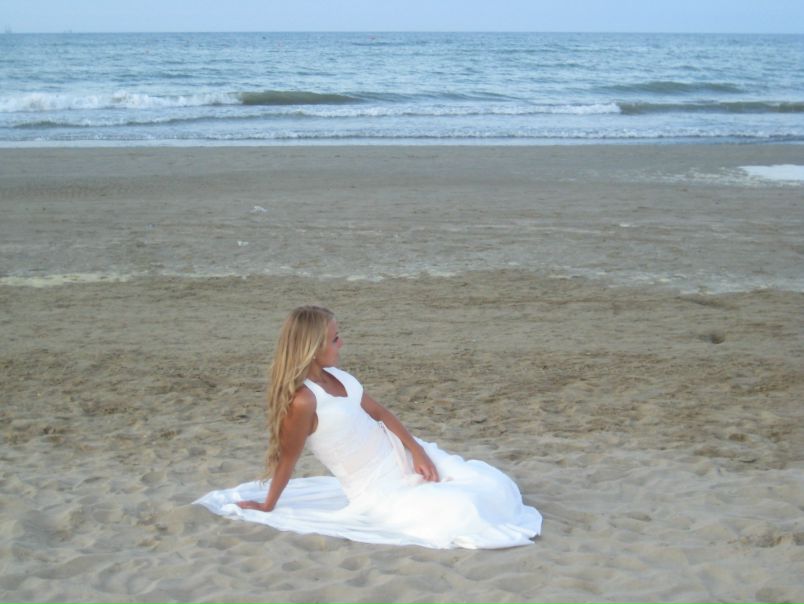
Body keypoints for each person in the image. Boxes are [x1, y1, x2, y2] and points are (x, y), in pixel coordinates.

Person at [195, 305, 542, 549]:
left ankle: (425, 460)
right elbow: (288, 458)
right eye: (335, 339)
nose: (341, 343)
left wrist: (417, 451)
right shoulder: (303, 401)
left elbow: (380, 413)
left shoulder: (340, 376)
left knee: (491, 484)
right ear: (312, 348)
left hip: (403, 455)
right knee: (462, 512)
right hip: (378, 487)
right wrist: (269, 505)